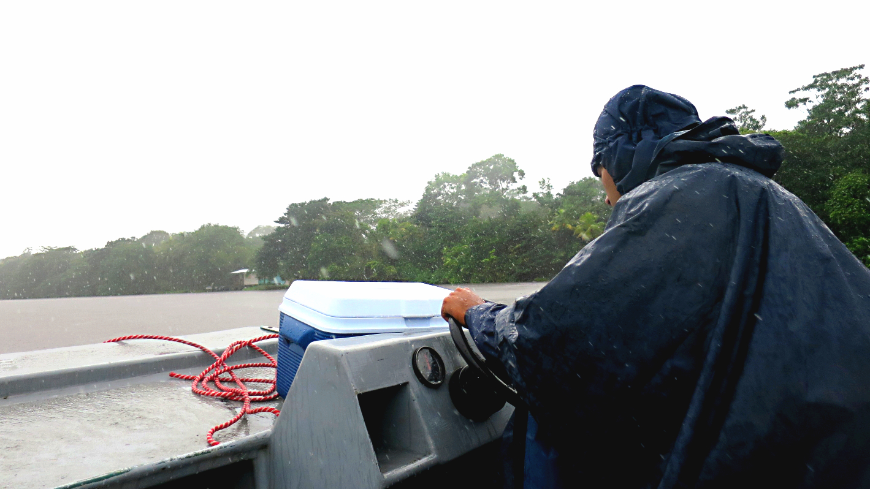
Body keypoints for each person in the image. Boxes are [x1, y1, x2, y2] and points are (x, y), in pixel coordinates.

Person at [441, 85, 870, 488]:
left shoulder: (674, 198)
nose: (608, 198)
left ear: (623, 157)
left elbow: (556, 342)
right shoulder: (762, 193)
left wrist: (478, 313)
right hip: (828, 447)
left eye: (601, 175)